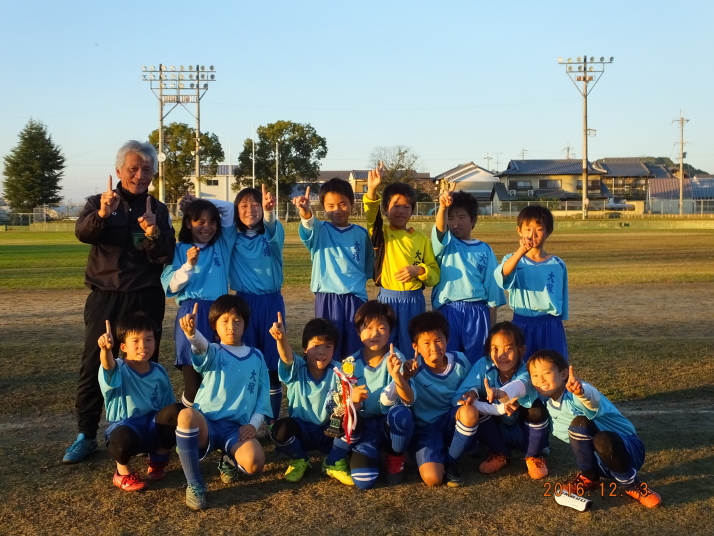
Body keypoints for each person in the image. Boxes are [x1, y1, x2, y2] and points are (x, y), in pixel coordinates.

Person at [65, 140, 175, 464]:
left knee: (145, 363)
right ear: (118, 170)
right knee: (95, 362)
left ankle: (148, 431)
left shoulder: (158, 209)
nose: (140, 175)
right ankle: (86, 434)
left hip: (145, 297)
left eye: (147, 170)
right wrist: (102, 213)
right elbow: (83, 233)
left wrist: (153, 233)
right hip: (106, 296)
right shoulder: (99, 202)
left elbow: (167, 254)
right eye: (133, 169)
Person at [182, 186, 284, 424]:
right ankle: (240, 416)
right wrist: (198, 201)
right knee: (243, 360)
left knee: (272, 366)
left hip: (270, 304)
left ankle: (272, 421)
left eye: (256, 205)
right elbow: (227, 208)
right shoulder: (231, 237)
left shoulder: (273, 233)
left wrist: (268, 211)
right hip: (242, 305)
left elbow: (269, 222)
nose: (250, 210)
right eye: (244, 206)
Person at [528, 350, 662, 508]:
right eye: (534, 375)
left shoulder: (575, 393)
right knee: (581, 430)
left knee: (587, 427)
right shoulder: (548, 407)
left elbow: (592, 399)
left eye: (546, 373)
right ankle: (589, 478)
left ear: (563, 374)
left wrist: (582, 392)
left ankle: (632, 485)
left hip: (627, 450)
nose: (540, 379)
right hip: (599, 461)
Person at [175, 295, 272, 510]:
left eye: (237, 321)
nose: (231, 326)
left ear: (245, 323)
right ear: (214, 325)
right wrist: (192, 335)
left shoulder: (256, 357)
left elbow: (263, 397)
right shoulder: (214, 351)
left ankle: (229, 460)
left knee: (255, 462)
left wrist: (253, 424)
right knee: (186, 415)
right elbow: (201, 349)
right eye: (225, 321)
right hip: (207, 424)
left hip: (235, 429)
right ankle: (195, 484)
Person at [329, 300, 414, 489]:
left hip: (388, 424)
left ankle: (395, 456)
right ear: (358, 331)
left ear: (390, 331)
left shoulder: (396, 358)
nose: (374, 334)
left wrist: (397, 376)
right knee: (364, 480)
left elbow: (408, 400)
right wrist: (351, 399)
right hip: (364, 428)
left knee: (401, 414)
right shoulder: (349, 363)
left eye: (381, 328)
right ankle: (362, 450)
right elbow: (337, 405)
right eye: (367, 327)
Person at [453, 322, 550, 479]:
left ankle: (534, 455)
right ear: (488, 351)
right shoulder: (482, 365)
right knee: (473, 404)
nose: (501, 355)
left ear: (521, 351)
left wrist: (501, 393)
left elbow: (520, 386)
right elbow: (457, 399)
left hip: (525, 433)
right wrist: (473, 393)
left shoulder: (527, 370)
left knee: (536, 408)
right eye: (495, 349)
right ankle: (500, 453)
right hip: (496, 430)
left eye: (508, 349)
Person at [292, 178, 374, 360]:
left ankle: (353, 378)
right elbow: (308, 225)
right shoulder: (320, 230)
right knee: (327, 346)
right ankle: (330, 378)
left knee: (354, 349)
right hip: (327, 298)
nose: (337, 210)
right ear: (323, 207)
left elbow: (368, 266)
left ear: (352, 203)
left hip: (355, 299)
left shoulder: (361, 234)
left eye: (343, 204)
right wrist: (305, 211)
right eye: (330, 206)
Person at [97, 313, 181, 491]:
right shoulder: (118, 368)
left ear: (155, 343)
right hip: (128, 427)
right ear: (123, 346)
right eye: (135, 341)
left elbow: (168, 407)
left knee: (179, 412)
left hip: (153, 425)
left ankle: (157, 460)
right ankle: (123, 473)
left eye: (148, 339)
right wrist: (105, 351)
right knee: (121, 437)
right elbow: (108, 366)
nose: (143, 345)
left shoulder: (159, 371)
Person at [268, 315, 355, 485]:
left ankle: (333, 462)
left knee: (352, 422)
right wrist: (281, 340)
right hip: (301, 431)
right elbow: (286, 358)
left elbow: (347, 401)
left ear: (334, 349)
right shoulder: (297, 368)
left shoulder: (339, 370)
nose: (322, 351)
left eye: (328, 346)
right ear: (305, 348)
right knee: (279, 429)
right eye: (315, 346)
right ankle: (299, 459)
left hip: (328, 430)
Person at [363, 163, 440, 354]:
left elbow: (434, 275)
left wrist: (419, 270)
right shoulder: (381, 234)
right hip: (387, 300)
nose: (401, 211)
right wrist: (372, 190)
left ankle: (411, 373)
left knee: (412, 347)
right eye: (396, 206)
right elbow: (371, 215)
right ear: (385, 209)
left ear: (412, 210)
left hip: (414, 301)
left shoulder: (421, 239)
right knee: (384, 347)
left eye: (406, 207)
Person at [161, 199, 229, 407]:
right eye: (200, 221)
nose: (207, 227)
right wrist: (188, 266)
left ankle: (210, 424)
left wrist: (198, 201)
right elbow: (171, 287)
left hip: (219, 314)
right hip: (191, 314)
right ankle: (185, 422)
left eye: (212, 222)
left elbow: (230, 209)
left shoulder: (222, 245)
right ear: (188, 223)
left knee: (216, 378)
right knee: (193, 385)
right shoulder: (179, 249)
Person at [403, 311, 477, 487]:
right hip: (426, 429)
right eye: (426, 343)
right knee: (433, 479)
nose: (434, 347)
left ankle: (452, 461)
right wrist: (404, 378)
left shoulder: (460, 360)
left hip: (452, 421)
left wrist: (473, 391)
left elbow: (473, 384)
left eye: (438, 340)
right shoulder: (412, 370)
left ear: (447, 340)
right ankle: (432, 453)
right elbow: (405, 400)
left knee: (470, 411)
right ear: (415, 346)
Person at [432, 189, 505, 364]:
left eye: (462, 217)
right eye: (451, 218)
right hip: (448, 310)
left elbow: (492, 288)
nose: (456, 223)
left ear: (473, 221)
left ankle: (476, 383)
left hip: (477, 312)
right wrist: (443, 208)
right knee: (448, 360)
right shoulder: (445, 244)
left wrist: (492, 326)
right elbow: (440, 229)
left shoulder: (485, 249)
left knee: (476, 360)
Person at [494, 205, 568, 360]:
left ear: (548, 232)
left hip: (550, 324)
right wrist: (521, 251)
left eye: (539, 229)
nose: (532, 234)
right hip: (522, 323)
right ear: (519, 230)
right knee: (521, 367)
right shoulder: (513, 259)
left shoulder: (557, 263)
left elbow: (561, 296)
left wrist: (557, 323)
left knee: (552, 365)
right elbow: (503, 274)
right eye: (528, 229)